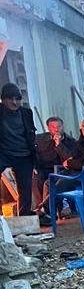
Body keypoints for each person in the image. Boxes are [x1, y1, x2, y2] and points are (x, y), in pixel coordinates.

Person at [0, 83, 38, 218]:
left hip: (24, 154)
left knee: (25, 187)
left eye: (17, 99)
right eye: (10, 99)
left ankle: (25, 216)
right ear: (3, 100)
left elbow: (31, 134)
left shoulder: (26, 113)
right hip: (4, 153)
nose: (14, 102)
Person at [34, 116, 77, 220]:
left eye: (59, 126)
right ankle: (42, 208)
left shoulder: (71, 141)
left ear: (63, 126)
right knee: (36, 179)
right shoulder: (39, 139)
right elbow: (32, 152)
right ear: (48, 128)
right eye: (53, 127)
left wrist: (59, 144)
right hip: (43, 168)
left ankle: (48, 211)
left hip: (62, 170)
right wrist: (33, 166)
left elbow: (71, 160)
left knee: (51, 182)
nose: (56, 129)